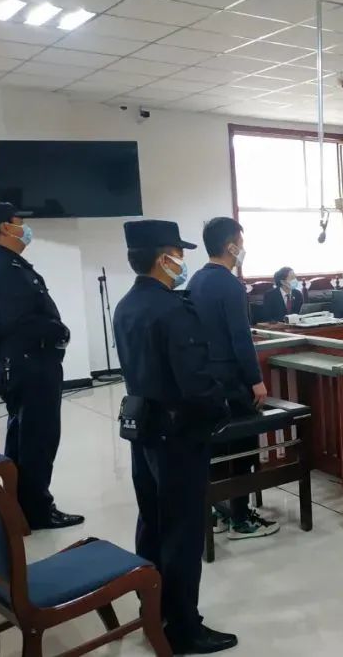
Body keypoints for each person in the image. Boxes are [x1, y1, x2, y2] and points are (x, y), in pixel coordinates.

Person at [113, 220, 238, 655]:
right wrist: (221, 408)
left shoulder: (127, 305)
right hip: (178, 434)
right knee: (182, 532)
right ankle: (183, 628)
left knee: (151, 522)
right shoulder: (171, 309)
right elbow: (196, 383)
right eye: (178, 254)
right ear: (163, 257)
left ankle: (153, 610)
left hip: (143, 428)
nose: (182, 262)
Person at [0, 203, 84, 530]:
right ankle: (37, 510)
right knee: (38, 439)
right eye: (19, 222)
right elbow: (20, 320)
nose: (25, 228)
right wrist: (59, 330)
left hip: (25, 362)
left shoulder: (5, 264)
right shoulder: (5, 268)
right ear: (5, 228)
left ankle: (20, 505)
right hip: (31, 364)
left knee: (25, 438)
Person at [187, 217, 278, 541]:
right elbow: (240, 337)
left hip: (206, 380)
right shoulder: (229, 284)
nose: (243, 249)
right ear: (230, 247)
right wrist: (255, 379)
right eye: (241, 243)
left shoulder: (196, 280)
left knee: (217, 450)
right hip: (231, 381)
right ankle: (240, 518)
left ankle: (219, 510)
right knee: (242, 448)